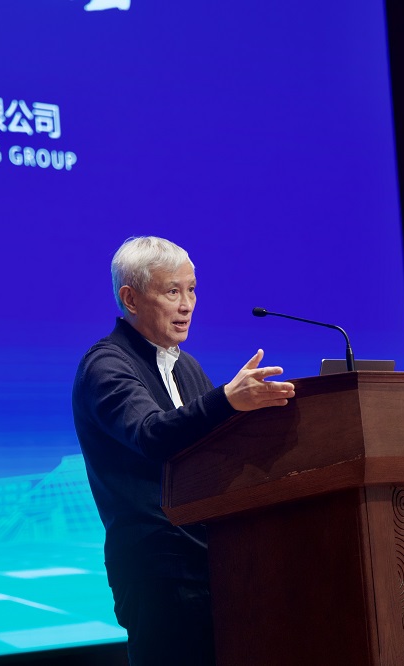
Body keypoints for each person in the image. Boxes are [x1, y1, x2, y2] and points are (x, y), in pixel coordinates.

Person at [72, 236, 295, 665]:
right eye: (172, 291)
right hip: (157, 570)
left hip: (214, 560)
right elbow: (151, 435)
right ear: (130, 299)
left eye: (192, 290)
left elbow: (216, 446)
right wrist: (226, 400)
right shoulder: (106, 365)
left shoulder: (185, 365)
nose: (187, 304)